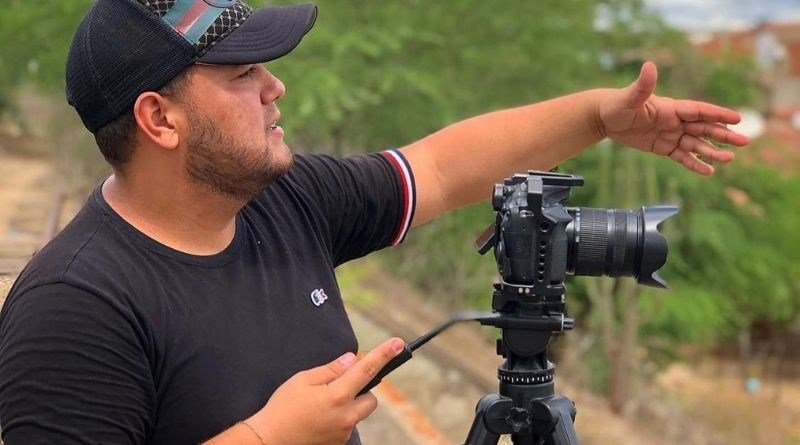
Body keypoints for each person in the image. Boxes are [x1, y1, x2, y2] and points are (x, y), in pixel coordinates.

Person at [0, 1, 749, 444]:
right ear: (159, 119)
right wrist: (269, 436)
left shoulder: (284, 199)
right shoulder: (75, 307)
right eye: (242, 74)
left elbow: (441, 167)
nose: (274, 86)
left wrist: (600, 116)